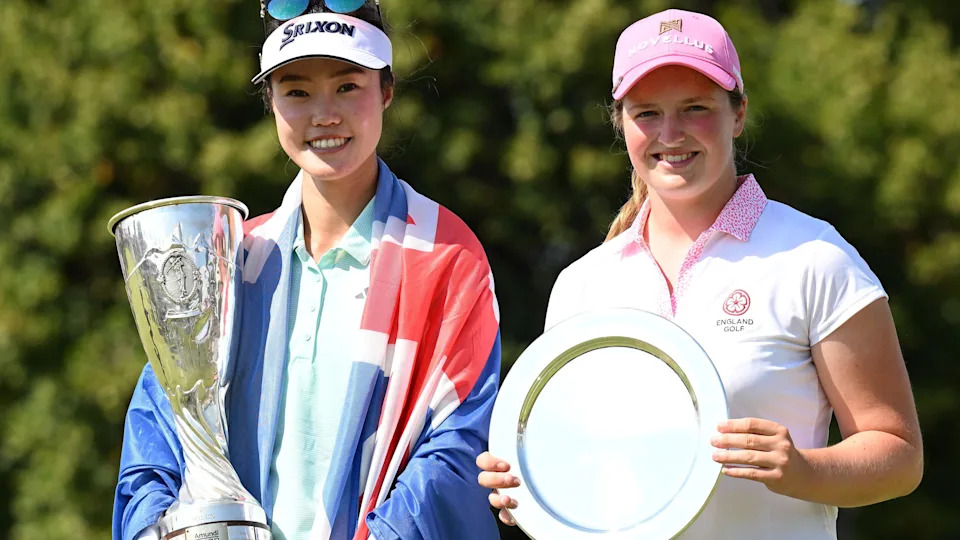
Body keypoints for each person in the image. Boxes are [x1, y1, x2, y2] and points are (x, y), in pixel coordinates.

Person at [477, 8, 922, 539]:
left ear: (738, 114)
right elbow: (581, 462)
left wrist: (805, 471)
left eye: (695, 108)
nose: (671, 133)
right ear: (621, 123)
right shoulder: (581, 285)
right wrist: (529, 487)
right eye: (646, 113)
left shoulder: (814, 258)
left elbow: (899, 455)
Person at [113, 1, 502, 539]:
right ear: (270, 102)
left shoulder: (448, 255)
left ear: (386, 91)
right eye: (297, 91)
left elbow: (456, 447)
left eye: (348, 86)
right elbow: (159, 435)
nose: (325, 114)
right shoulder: (230, 261)